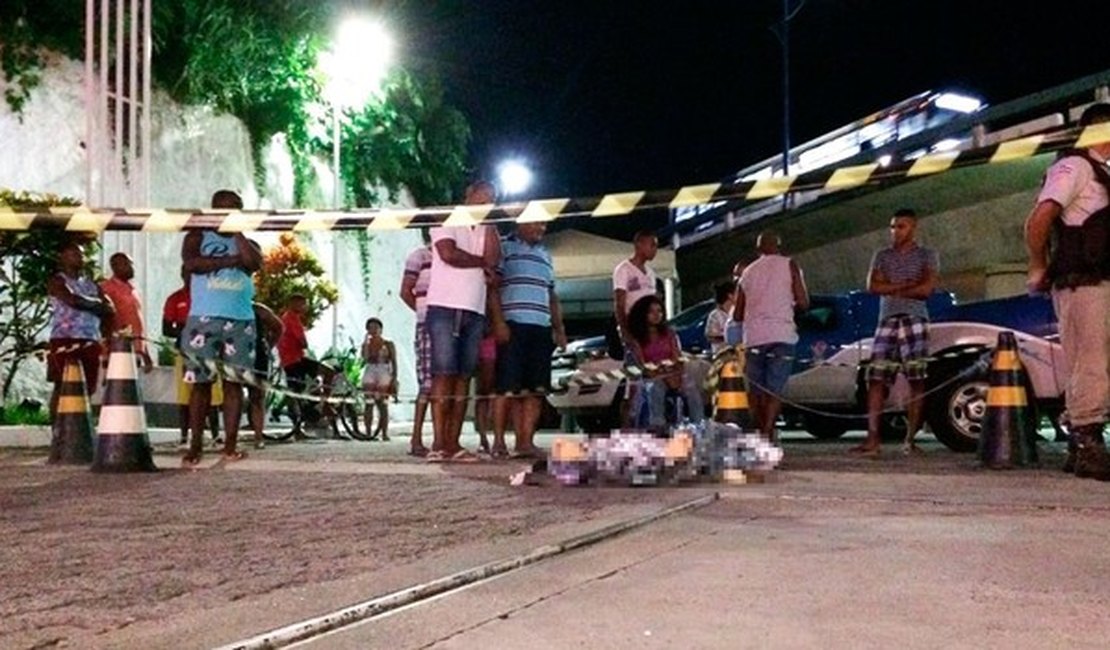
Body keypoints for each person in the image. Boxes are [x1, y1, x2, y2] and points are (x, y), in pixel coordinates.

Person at [1025, 103, 1110, 480]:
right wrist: (1037, 264)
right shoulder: (1074, 167)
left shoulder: (1103, 172)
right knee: (1090, 362)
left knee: (1096, 363)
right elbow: (1040, 217)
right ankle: (1087, 442)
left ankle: (1082, 444)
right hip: (1083, 281)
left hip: (1100, 280)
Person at [180, 189, 262, 465]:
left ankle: (229, 445)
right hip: (203, 318)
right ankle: (195, 447)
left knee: (234, 383)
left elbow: (253, 263)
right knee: (200, 384)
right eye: (224, 210)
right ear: (213, 210)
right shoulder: (197, 237)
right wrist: (230, 261)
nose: (229, 214)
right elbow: (193, 263)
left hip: (240, 320)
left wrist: (237, 234)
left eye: (235, 209)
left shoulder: (247, 242)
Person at [424, 180, 501, 462]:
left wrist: (491, 223)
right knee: (443, 373)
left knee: (463, 376)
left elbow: (494, 258)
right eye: (483, 197)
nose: (487, 203)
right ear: (469, 194)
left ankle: (453, 444)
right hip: (445, 305)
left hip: (475, 309)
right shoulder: (448, 217)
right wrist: (481, 263)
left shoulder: (487, 227)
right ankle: (438, 443)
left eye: (493, 199)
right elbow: (448, 253)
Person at [853, 208, 939, 457]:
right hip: (887, 319)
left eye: (901, 226)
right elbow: (872, 286)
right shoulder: (881, 255)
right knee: (876, 377)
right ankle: (872, 438)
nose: (895, 231)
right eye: (893, 227)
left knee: (917, 378)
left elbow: (926, 289)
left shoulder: (926, 255)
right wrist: (906, 286)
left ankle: (910, 439)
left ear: (913, 228)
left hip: (915, 318)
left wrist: (890, 288)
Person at [489, 221, 567, 458]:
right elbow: (493, 286)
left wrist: (559, 328)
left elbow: (551, 295)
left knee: (535, 389)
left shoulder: (546, 255)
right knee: (507, 387)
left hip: (540, 327)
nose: (542, 228)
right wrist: (499, 322)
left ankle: (525, 441)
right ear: (522, 223)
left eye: (544, 224)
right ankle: (499, 441)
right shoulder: (504, 248)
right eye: (537, 223)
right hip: (513, 324)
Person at [734, 232, 809, 441]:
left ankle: (759, 434)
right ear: (779, 245)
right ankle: (768, 432)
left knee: (756, 390)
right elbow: (803, 301)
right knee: (774, 390)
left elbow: (738, 314)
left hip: (754, 338)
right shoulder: (789, 265)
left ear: (758, 249)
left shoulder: (747, 272)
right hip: (781, 336)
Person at [46, 240, 114, 422]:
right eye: (75, 253)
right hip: (64, 340)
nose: (81, 257)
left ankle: (80, 428)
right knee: (62, 385)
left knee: (87, 388)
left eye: (82, 254)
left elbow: (109, 308)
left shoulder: (92, 284)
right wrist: (96, 304)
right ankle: (57, 430)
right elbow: (71, 300)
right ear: (63, 257)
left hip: (89, 339)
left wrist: (92, 304)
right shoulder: (57, 280)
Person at [625, 295, 703, 432]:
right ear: (643, 314)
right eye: (651, 312)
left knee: (690, 386)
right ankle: (658, 425)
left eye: (659, 311)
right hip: (652, 376)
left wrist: (674, 373)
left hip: (673, 373)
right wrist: (661, 373)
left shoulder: (669, 333)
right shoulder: (636, 338)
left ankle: (698, 424)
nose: (656, 315)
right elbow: (642, 366)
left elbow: (678, 359)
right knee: (655, 387)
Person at [162, 270, 223, 446]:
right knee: (185, 395)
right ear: (183, 276)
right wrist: (188, 332)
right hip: (184, 352)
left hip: (209, 353)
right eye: (190, 275)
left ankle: (215, 435)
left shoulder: (211, 298)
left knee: (213, 394)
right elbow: (166, 328)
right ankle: (184, 436)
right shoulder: (175, 299)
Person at [612, 230, 660, 425]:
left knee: (652, 380)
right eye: (652, 245)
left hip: (650, 332)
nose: (655, 250)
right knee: (633, 384)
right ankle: (627, 428)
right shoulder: (623, 269)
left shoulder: (651, 274)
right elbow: (619, 302)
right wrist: (625, 331)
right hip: (633, 331)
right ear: (639, 245)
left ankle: (647, 425)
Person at [399, 233, 433, 456]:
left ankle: (444, 439)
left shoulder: (454, 259)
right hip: (428, 326)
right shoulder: (419, 257)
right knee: (428, 384)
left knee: (447, 382)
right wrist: (424, 313)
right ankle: (416, 438)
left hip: (452, 326)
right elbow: (405, 292)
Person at [98, 252, 153, 373]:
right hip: (118, 350)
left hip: (135, 350)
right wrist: (106, 350)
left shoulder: (132, 289)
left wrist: (145, 353)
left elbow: (137, 324)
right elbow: (104, 320)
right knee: (117, 389)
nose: (131, 268)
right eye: (127, 264)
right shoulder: (106, 288)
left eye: (131, 264)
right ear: (115, 266)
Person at [276, 293, 319, 438]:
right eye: (302, 304)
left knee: (297, 390)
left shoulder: (291, 318)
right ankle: (302, 419)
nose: (304, 307)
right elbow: (303, 342)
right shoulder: (291, 319)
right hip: (293, 359)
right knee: (296, 393)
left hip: (295, 359)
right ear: (293, 303)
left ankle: (310, 403)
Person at [249, 301, 283, 449]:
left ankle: (258, 435)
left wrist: (269, 344)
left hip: (258, 355)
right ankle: (232, 436)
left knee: (258, 395)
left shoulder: (258, 309)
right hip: (235, 353)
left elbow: (278, 327)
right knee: (232, 392)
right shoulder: (229, 307)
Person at [360, 317, 397, 441]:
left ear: (381, 329)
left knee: (383, 404)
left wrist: (394, 377)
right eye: (371, 328)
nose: (374, 330)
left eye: (376, 327)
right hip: (371, 369)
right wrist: (366, 344)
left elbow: (394, 361)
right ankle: (368, 432)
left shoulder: (388, 344)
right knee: (368, 403)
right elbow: (364, 359)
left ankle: (384, 433)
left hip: (384, 369)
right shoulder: (366, 344)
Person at [705, 280, 737, 356]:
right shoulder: (715, 315)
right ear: (730, 295)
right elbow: (710, 336)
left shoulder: (737, 312)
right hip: (722, 355)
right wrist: (729, 338)